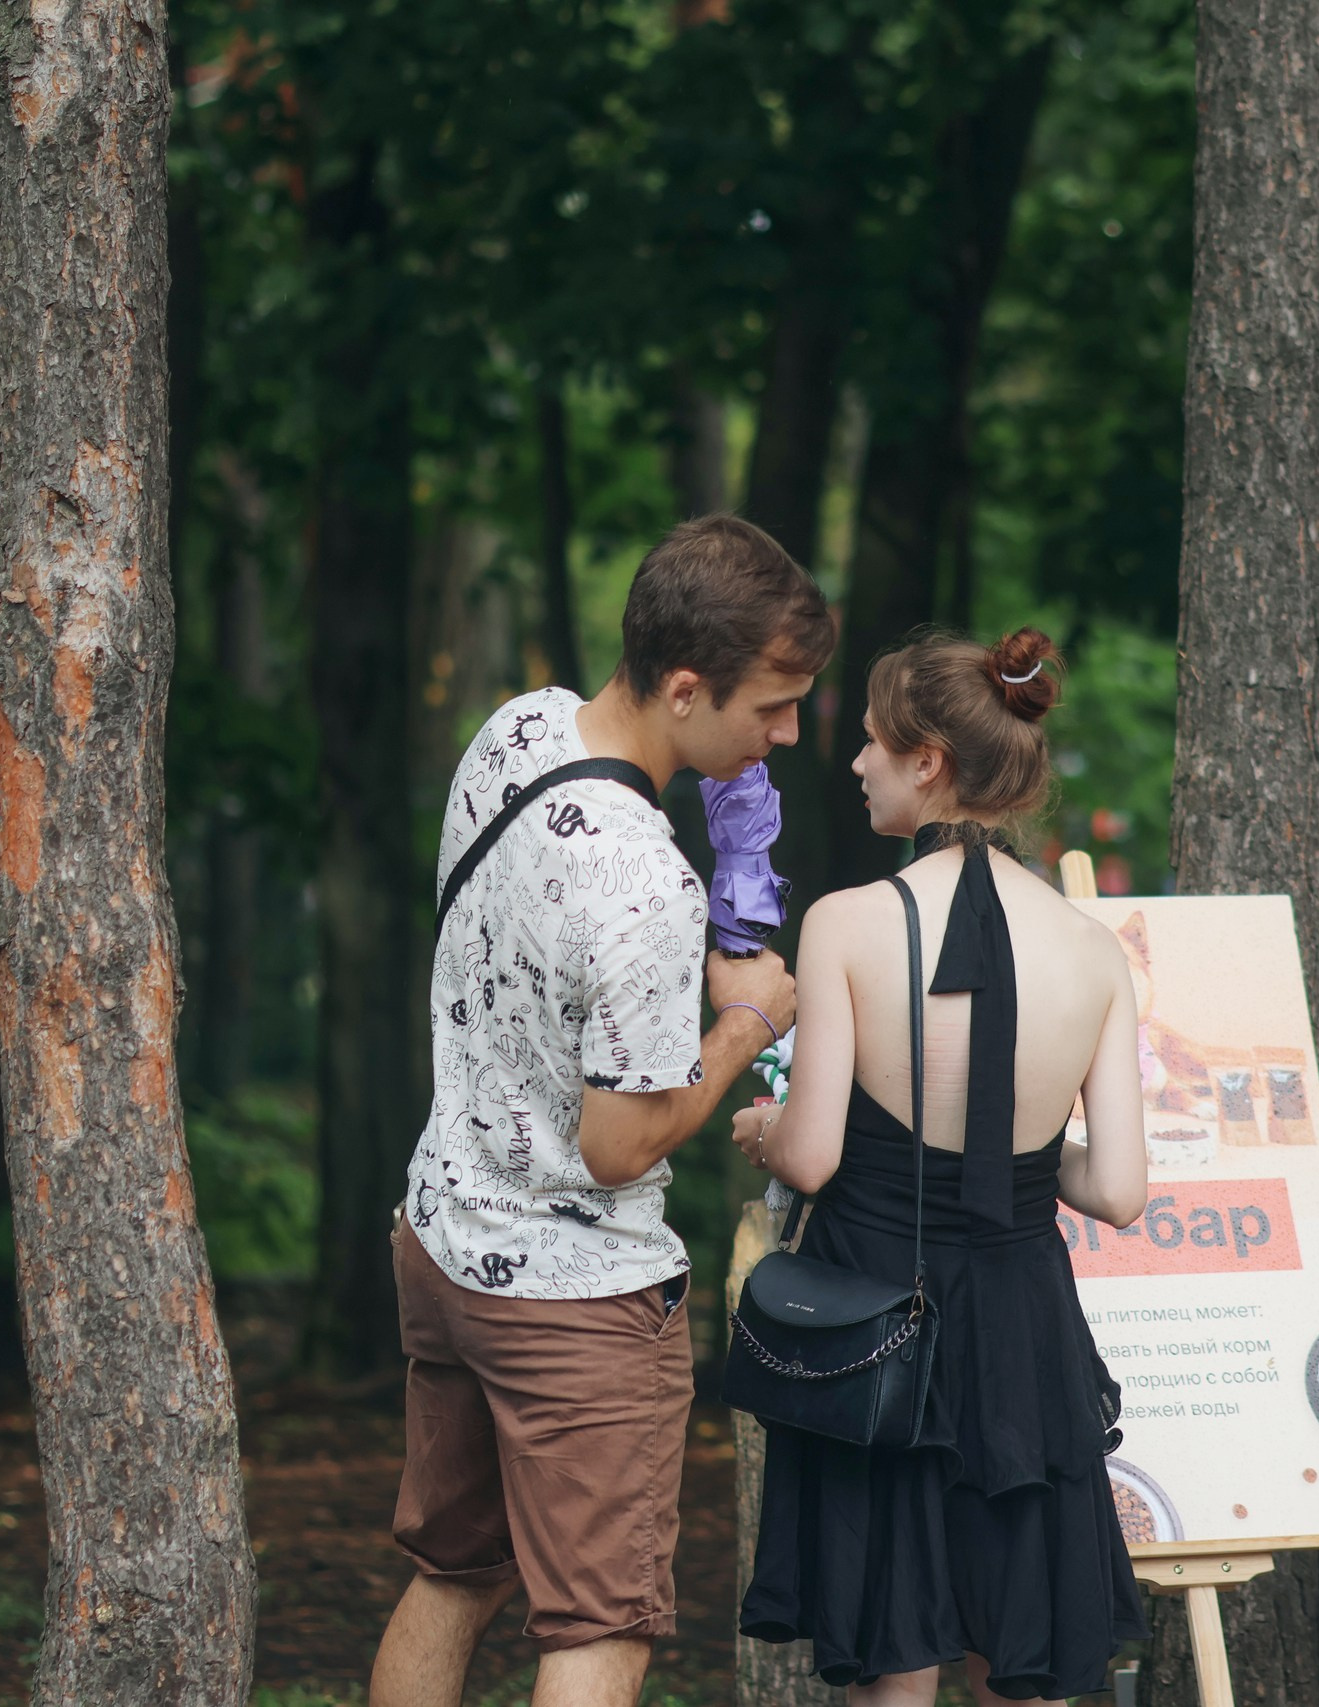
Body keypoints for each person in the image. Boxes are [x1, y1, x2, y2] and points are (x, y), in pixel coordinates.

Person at [371, 515, 834, 1707]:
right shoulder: (644, 884)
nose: (788, 734)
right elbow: (616, 1141)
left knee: (452, 1574)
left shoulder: (516, 728)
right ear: (686, 688)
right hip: (569, 1301)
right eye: (772, 707)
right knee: (597, 1629)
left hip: (440, 1235)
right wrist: (747, 1020)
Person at [731, 627, 1152, 1705]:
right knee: (1022, 1651)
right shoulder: (1094, 949)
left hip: (882, 1308)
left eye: (872, 742)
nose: (856, 762)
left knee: (895, 1652)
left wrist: (762, 1130)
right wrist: (1015, 1157)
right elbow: (1116, 1190)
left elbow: (814, 1154)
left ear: (927, 760)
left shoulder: (846, 924)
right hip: (1023, 1327)